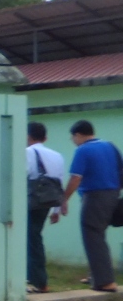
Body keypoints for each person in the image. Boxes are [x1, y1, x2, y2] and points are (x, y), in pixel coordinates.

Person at [61, 119, 120, 292]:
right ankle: (97, 276)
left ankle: (105, 281)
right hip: (113, 194)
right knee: (99, 235)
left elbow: (76, 178)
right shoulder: (110, 146)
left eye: (73, 137)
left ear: (78, 135)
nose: (73, 141)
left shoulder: (83, 150)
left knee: (93, 236)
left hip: (94, 196)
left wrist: (64, 199)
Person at [26, 121, 66, 294]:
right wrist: (57, 210)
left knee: (31, 240)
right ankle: (35, 279)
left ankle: (38, 281)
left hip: (30, 200)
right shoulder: (57, 155)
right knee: (34, 237)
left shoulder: (28, 152)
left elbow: (21, 175)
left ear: (27, 136)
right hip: (47, 201)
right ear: (45, 138)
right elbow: (59, 183)